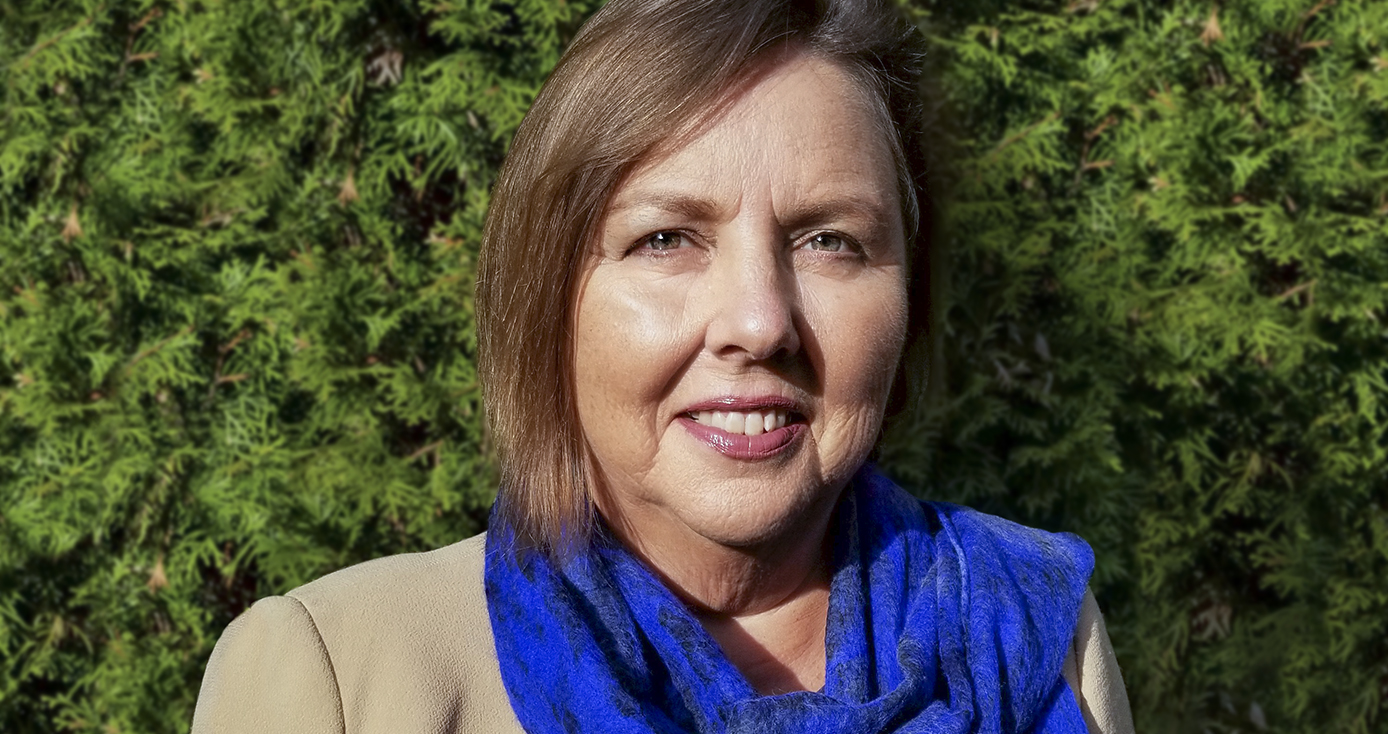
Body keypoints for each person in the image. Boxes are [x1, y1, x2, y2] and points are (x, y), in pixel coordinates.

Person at [191, 0, 1135, 732]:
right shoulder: (347, 681)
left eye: (830, 241)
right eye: (667, 239)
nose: (759, 322)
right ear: (550, 295)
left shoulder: (1033, 629)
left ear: (909, 298)